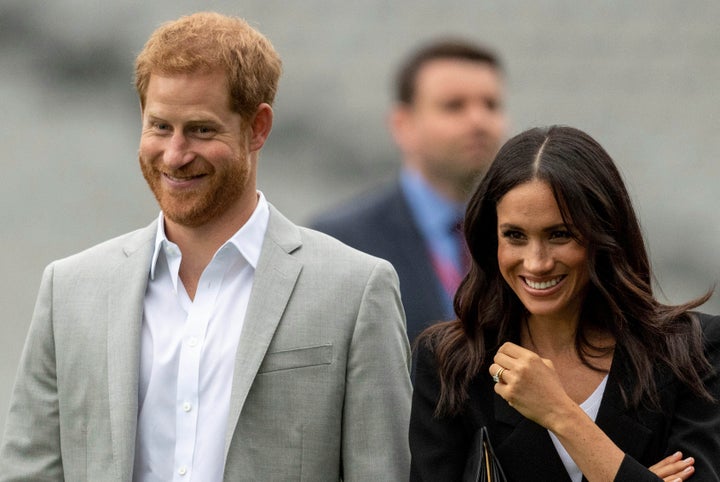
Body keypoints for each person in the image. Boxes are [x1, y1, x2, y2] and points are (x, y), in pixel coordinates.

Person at [0, 12, 412, 481]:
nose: (174, 155)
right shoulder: (70, 289)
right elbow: (29, 471)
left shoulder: (356, 290)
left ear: (258, 127)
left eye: (200, 129)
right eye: (159, 126)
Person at [409, 125, 720, 481]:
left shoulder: (694, 351)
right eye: (515, 236)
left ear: (603, 235)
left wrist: (560, 413)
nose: (536, 262)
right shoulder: (449, 362)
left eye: (560, 235)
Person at [310, 38, 508, 343]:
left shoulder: (524, 232)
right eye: (454, 106)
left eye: (491, 105)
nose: (479, 121)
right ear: (403, 125)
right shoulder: (340, 242)